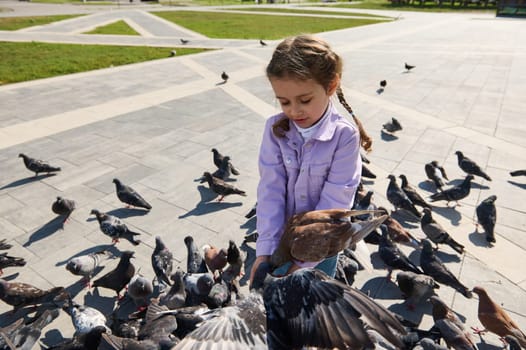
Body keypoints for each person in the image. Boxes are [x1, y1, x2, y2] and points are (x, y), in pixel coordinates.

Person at [249, 34, 372, 284]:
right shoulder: (275, 129)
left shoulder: (344, 137)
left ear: (331, 86)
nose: (294, 111)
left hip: (321, 250)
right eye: (284, 102)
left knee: (311, 303)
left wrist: (301, 263)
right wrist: (264, 251)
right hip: (280, 242)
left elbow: (334, 203)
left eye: (304, 100)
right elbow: (270, 191)